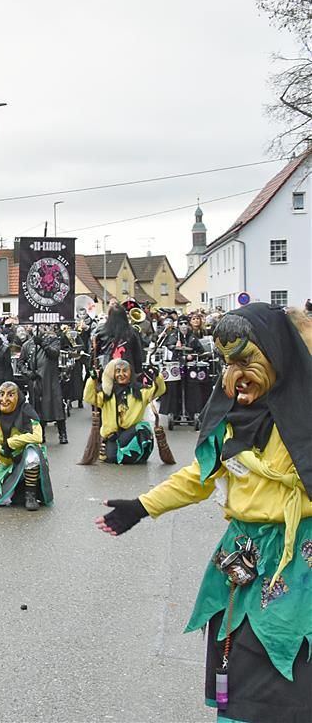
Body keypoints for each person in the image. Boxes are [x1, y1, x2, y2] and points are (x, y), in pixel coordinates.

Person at [96, 305, 312, 721]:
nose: (237, 373)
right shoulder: (233, 419)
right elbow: (200, 476)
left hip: (298, 560)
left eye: (247, 359)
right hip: (243, 557)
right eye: (229, 362)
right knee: (239, 662)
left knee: (290, 671)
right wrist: (142, 506)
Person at [0, 381, 53, 511]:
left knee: (32, 450)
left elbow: (37, 436)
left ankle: (31, 494)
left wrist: (11, 443)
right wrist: (1, 451)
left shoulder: (27, 411)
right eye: (1, 394)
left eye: (10, 395)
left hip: (25, 461)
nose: (4, 399)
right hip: (6, 464)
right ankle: (16, 491)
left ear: (18, 397)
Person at [83, 360, 166, 464]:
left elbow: (159, 389)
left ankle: (137, 454)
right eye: (117, 371)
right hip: (113, 435)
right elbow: (89, 397)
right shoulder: (107, 393)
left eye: (124, 371)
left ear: (131, 373)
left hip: (132, 433)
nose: (121, 374)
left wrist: (157, 376)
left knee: (143, 428)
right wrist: (92, 379)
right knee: (113, 458)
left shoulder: (140, 391)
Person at [20, 326, 67, 444]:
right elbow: (21, 362)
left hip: (51, 379)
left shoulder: (53, 340)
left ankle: (62, 434)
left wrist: (42, 344)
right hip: (36, 380)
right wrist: (28, 373)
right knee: (38, 409)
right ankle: (41, 434)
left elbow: (54, 354)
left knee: (57, 407)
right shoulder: (27, 345)